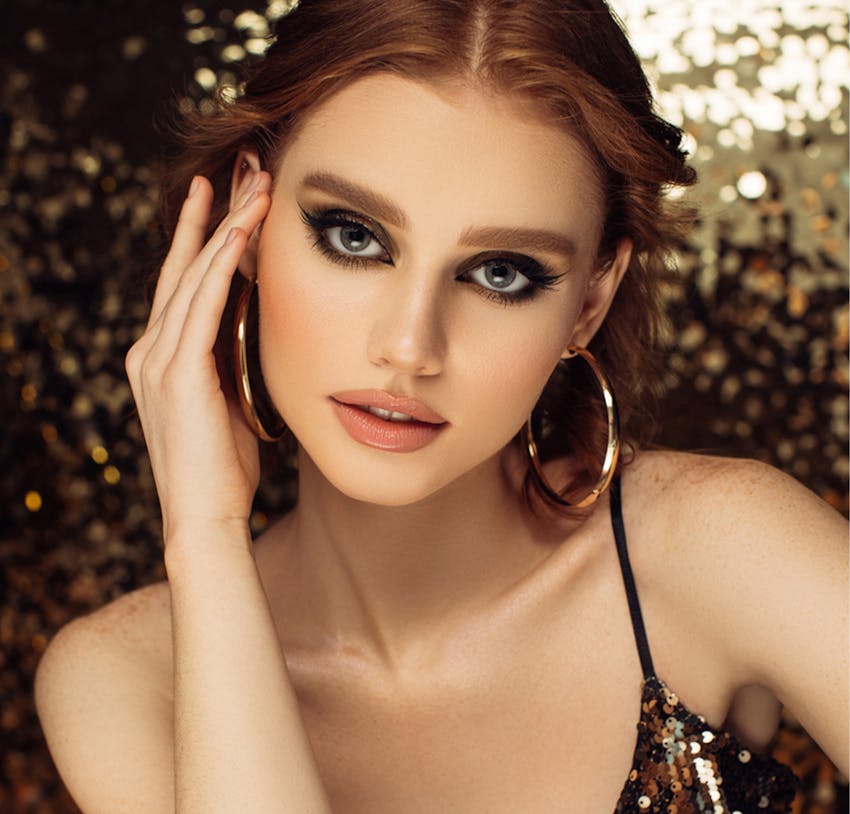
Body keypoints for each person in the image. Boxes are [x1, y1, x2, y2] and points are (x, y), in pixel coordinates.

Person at [34, 1, 847, 812]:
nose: (410, 347)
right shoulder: (129, 674)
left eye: (500, 273)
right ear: (249, 219)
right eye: (354, 237)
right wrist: (206, 539)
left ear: (591, 299)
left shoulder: (721, 551)